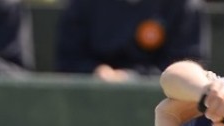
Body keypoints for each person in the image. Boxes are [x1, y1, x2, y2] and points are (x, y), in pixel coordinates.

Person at [55, 0, 210, 82]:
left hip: (162, 111)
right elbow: (68, 59)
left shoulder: (184, 4)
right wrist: (96, 71)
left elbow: (187, 66)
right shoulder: (82, 4)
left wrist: (131, 76)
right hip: (87, 104)